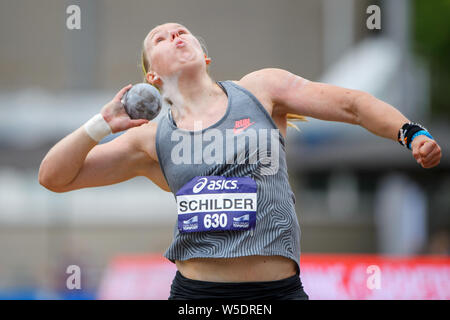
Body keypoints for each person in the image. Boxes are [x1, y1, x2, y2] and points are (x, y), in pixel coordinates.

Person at [38, 22, 442, 300]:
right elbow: (54, 177)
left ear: (205, 56)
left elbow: (353, 105)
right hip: (199, 297)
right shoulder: (150, 138)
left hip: (275, 294)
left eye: (182, 32)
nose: (175, 35)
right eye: (160, 38)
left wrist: (410, 133)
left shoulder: (262, 91)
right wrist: (101, 125)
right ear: (153, 78)